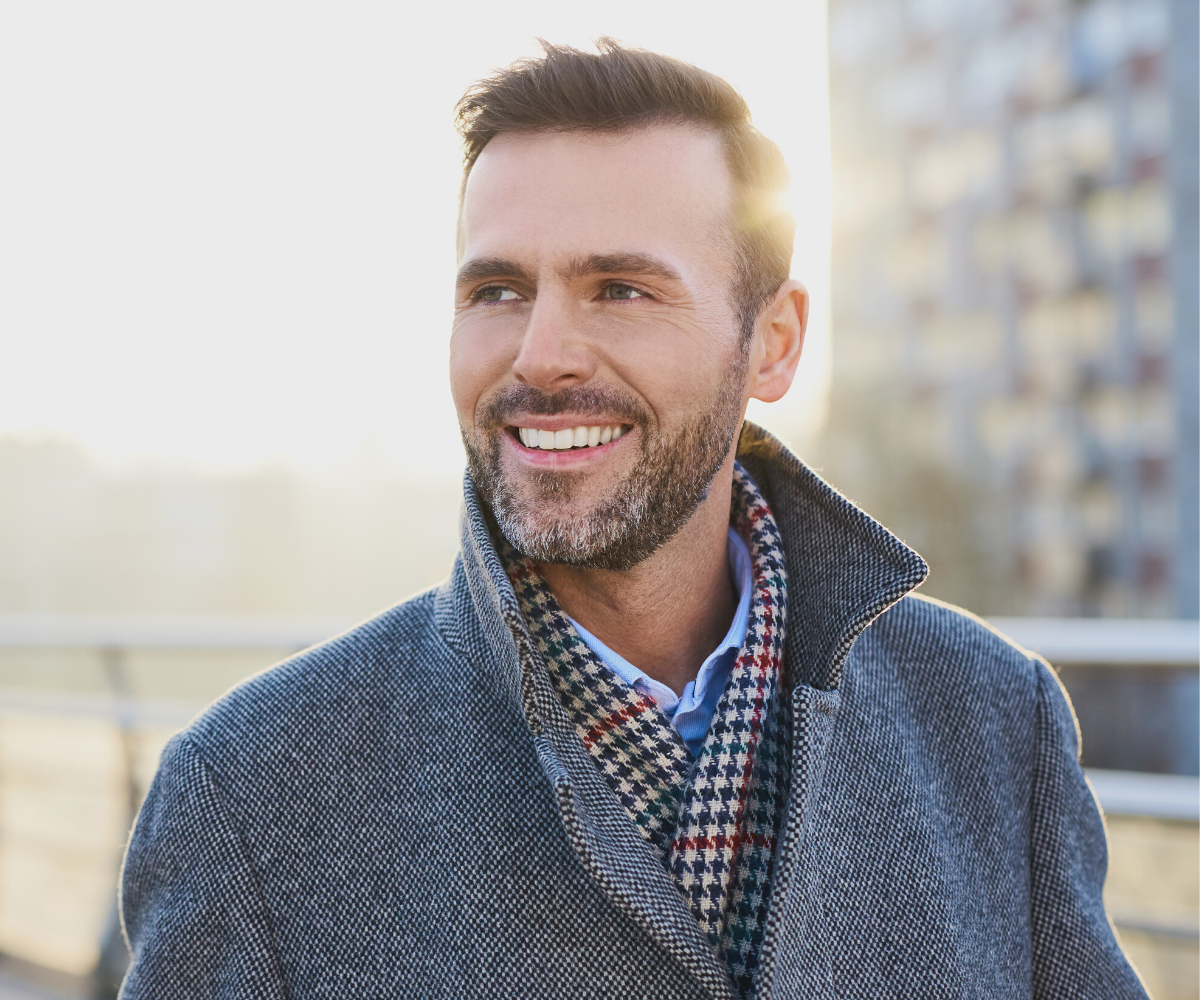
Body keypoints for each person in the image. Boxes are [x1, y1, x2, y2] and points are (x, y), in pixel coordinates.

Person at [118, 40, 1147, 999]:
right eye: (498, 289)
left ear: (774, 344)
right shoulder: (249, 795)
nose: (541, 354)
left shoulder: (996, 724)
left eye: (619, 288)